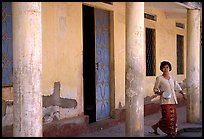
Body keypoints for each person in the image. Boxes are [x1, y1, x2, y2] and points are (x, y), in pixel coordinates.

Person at [150, 61, 186, 137]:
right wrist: (160, 93)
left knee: (174, 118)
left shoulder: (172, 78)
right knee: (167, 118)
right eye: (164, 67)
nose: (165, 69)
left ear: (169, 68)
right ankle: (167, 131)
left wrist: (183, 94)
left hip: (173, 101)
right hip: (165, 101)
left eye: (167, 67)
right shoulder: (159, 78)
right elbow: (155, 89)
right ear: (161, 69)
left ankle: (170, 133)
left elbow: (177, 86)